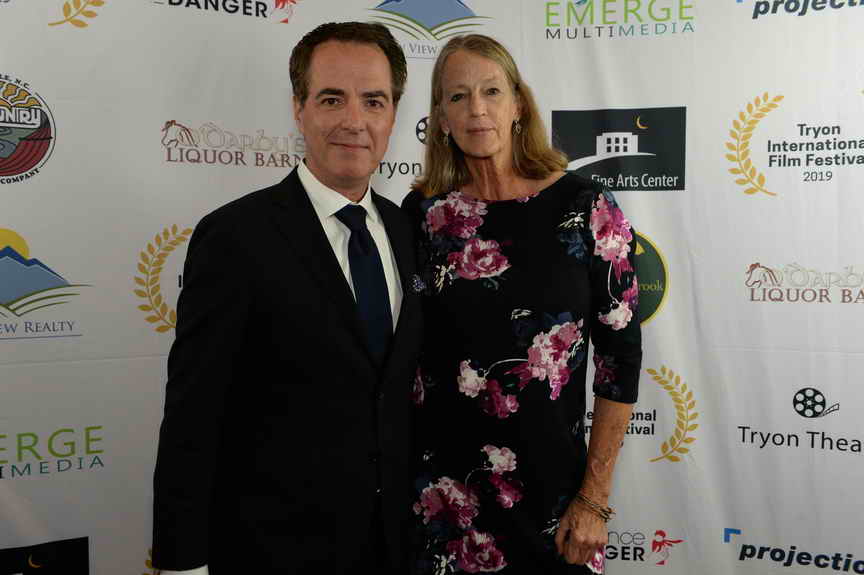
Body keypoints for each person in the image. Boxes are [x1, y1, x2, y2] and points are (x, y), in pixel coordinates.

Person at [152, 22, 423, 575]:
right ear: (299, 109)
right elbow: (193, 415)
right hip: (272, 550)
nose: (354, 121)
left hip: (394, 547)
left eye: (373, 101)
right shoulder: (234, 237)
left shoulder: (409, 232)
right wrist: (182, 562)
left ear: (393, 115)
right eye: (332, 99)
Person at [403, 34, 641, 574]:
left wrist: (594, 498)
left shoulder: (585, 206)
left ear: (518, 105)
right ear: (441, 118)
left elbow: (619, 360)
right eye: (458, 95)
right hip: (442, 499)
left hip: (555, 502)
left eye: (491, 90)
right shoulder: (423, 215)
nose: (476, 108)